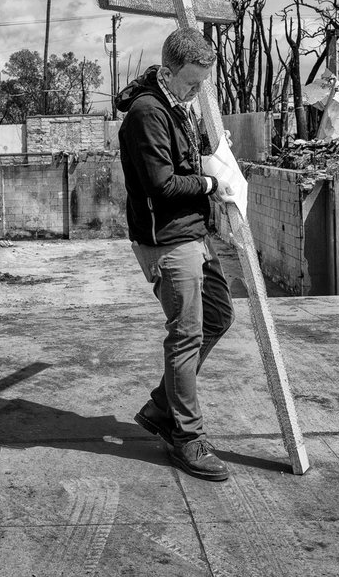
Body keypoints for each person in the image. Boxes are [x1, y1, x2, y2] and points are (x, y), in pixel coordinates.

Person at [115, 26, 236, 482]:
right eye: (190, 81)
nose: (196, 90)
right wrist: (210, 183)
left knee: (219, 316)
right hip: (166, 239)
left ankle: (162, 407)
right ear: (166, 71)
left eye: (202, 81)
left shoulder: (176, 107)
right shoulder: (148, 113)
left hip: (194, 233)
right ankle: (188, 437)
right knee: (185, 336)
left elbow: (187, 162)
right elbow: (161, 186)